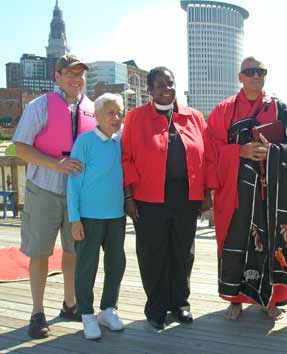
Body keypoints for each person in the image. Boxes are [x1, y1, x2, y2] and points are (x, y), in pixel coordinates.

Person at [207, 56, 287, 321]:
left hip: (273, 194)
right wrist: (240, 151)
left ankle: (272, 300)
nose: (256, 76)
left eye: (260, 71)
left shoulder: (280, 108)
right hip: (236, 194)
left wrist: (273, 153)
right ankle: (235, 299)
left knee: (276, 244)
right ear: (240, 76)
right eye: (250, 72)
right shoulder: (223, 110)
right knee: (236, 242)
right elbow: (209, 150)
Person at [121, 67, 213, 330]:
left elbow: (206, 157)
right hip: (148, 199)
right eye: (160, 85)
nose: (167, 89)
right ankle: (156, 307)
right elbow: (125, 158)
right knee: (153, 254)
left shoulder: (194, 117)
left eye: (170, 83)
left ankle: (180, 303)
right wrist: (128, 196)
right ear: (150, 90)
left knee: (183, 253)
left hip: (186, 197)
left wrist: (206, 192)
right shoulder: (136, 118)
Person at [13, 54, 96, 339]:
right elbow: (20, 148)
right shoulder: (39, 107)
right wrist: (55, 164)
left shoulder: (93, 109)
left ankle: (70, 304)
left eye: (80, 74)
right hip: (44, 191)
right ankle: (37, 312)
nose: (76, 79)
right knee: (40, 252)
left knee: (74, 251)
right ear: (57, 77)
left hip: (79, 195)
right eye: (70, 74)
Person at [67, 93, 126, 340]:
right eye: (110, 113)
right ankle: (87, 314)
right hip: (89, 217)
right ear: (97, 116)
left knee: (116, 264)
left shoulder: (121, 142)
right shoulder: (84, 141)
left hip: (116, 216)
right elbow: (73, 182)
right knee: (86, 267)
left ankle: (107, 309)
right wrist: (74, 218)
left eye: (119, 113)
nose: (115, 118)